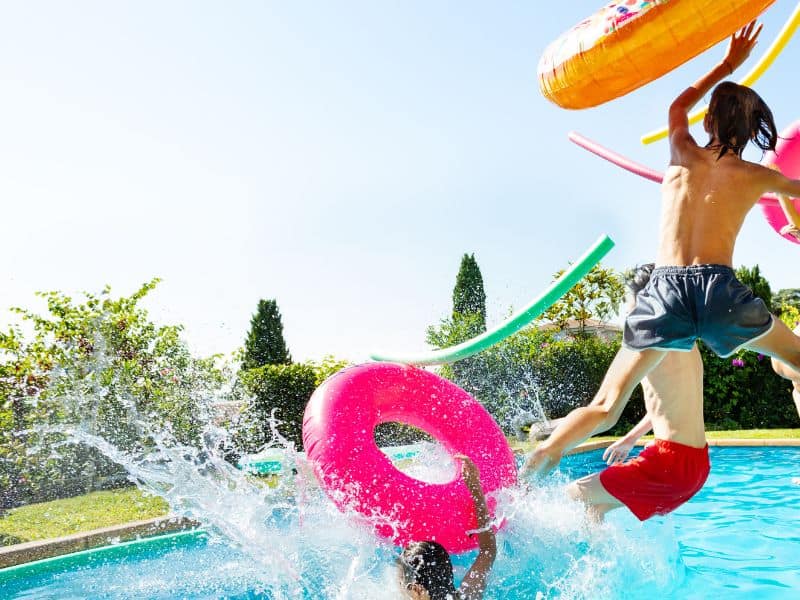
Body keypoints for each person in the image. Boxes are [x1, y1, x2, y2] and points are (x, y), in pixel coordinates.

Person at [525, 20, 800, 476]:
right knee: (796, 360)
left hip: (664, 290)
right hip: (720, 294)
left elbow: (678, 103)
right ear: (753, 132)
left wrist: (729, 64)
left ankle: (538, 459)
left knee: (607, 405)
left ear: (708, 120)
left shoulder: (681, 148)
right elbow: (793, 188)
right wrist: (792, 225)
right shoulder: (757, 177)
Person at [566, 265, 708, 522]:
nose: (626, 311)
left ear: (646, 300)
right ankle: (598, 562)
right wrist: (630, 439)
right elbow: (664, 406)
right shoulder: (686, 341)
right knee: (595, 509)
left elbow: (606, 409)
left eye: (628, 302)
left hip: (669, 464)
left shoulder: (651, 340)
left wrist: (554, 446)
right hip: (696, 466)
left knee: (569, 496)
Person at [398, 455, 496, 600]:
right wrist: (476, 490)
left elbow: (489, 551)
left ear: (417, 590)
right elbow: (488, 549)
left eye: (401, 582)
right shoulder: (466, 596)